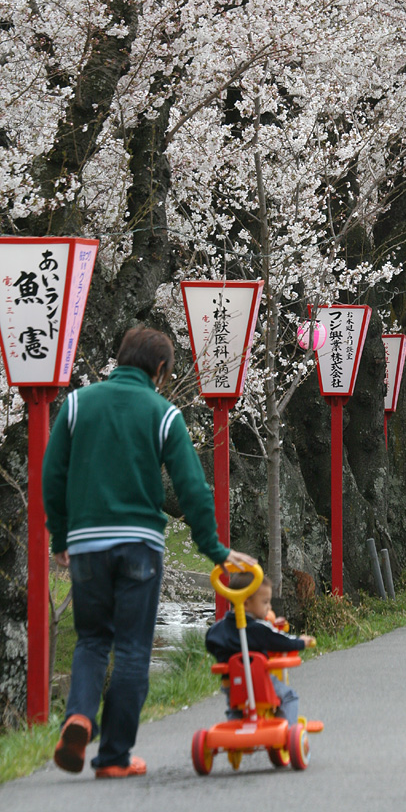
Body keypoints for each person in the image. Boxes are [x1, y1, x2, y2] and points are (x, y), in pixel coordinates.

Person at [42, 326, 256, 779]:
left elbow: (52, 473)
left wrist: (61, 537)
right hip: (140, 544)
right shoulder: (164, 414)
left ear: (119, 357)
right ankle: (114, 757)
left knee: (93, 641)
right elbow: (192, 490)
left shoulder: (79, 404)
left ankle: (79, 715)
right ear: (160, 370)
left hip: (87, 547)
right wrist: (214, 549)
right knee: (135, 648)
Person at [205, 573, 316, 724]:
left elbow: (210, 643)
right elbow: (282, 641)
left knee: (236, 706)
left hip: (232, 683)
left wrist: (224, 655)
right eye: (265, 602)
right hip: (257, 681)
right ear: (245, 604)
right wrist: (301, 642)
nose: (269, 607)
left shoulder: (218, 628)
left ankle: (236, 728)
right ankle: (288, 730)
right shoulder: (258, 628)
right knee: (289, 697)